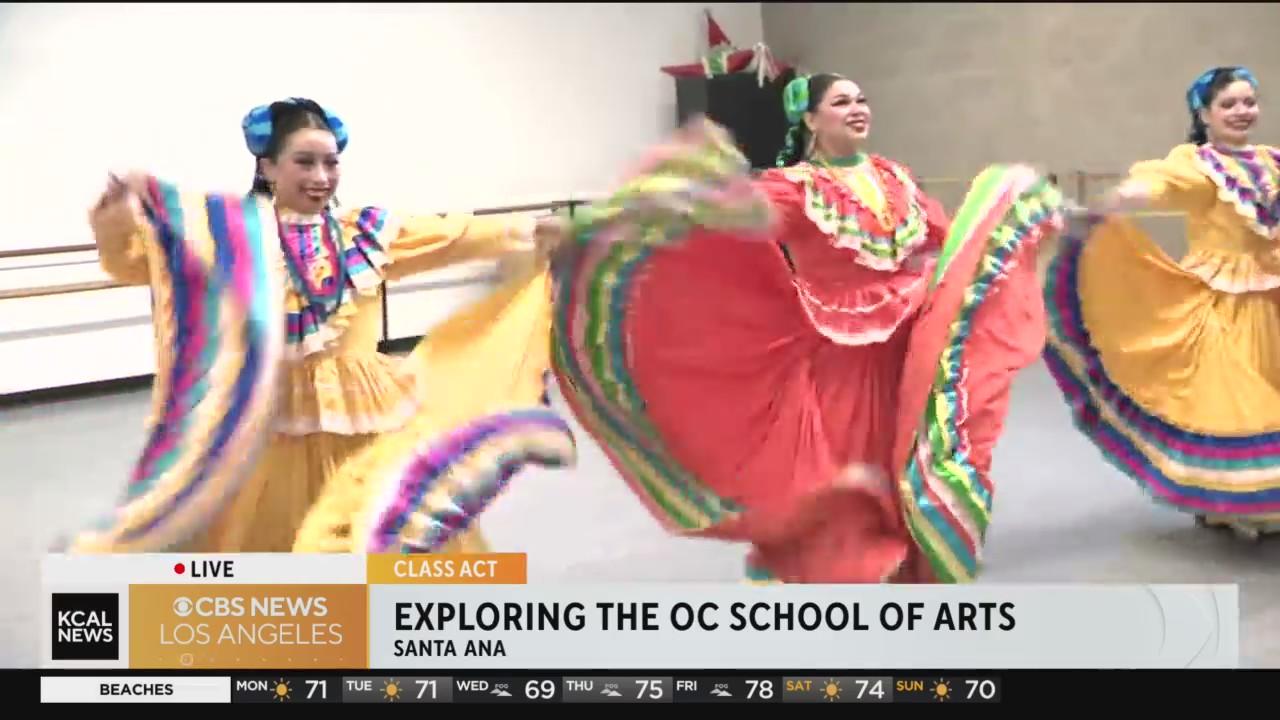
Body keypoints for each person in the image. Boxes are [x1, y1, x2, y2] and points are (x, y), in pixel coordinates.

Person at [550, 73, 1065, 583]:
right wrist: (601, 227)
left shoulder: (894, 177)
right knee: (850, 463)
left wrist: (996, 236)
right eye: (841, 102)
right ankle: (858, 556)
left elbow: (946, 238)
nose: (857, 109)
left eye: (861, 99)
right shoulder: (796, 187)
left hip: (908, 340)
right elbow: (728, 219)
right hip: (841, 351)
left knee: (909, 441)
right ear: (812, 120)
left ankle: (912, 545)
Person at [72, 97, 575, 554]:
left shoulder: (365, 233)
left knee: (383, 525)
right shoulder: (234, 240)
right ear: (267, 167)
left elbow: (451, 235)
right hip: (273, 419)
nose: (321, 176)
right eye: (304, 162)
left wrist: (530, 230)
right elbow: (137, 264)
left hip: (365, 413)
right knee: (269, 541)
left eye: (331, 163)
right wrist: (115, 218)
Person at [1043, 66, 1280, 541]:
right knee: (1236, 402)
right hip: (1223, 304)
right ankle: (1231, 500)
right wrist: (1116, 201)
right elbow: (1157, 185)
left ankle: (1254, 499)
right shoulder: (1197, 165)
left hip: (1273, 294)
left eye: (1248, 102)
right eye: (1228, 104)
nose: (1241, 111)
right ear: (1205, 114)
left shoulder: (1272, 159)